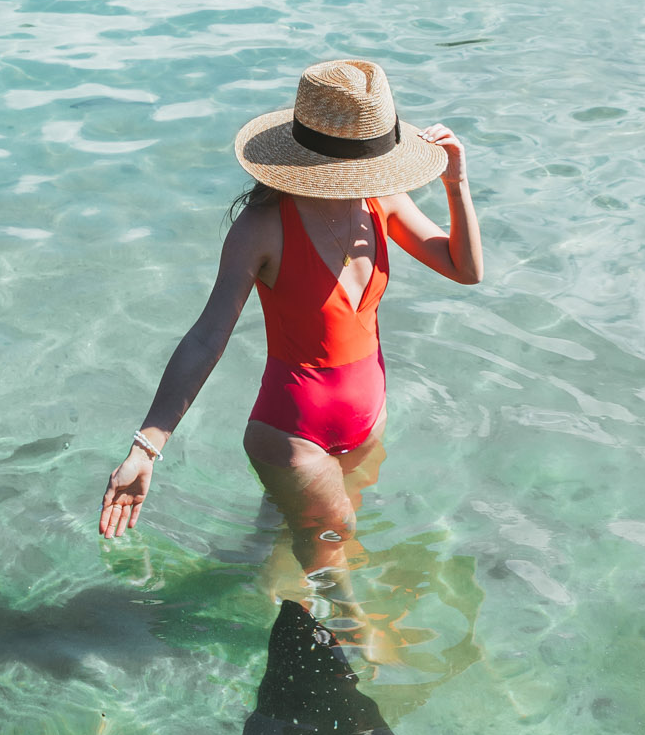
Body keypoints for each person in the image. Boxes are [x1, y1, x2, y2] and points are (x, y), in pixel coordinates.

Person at [98, 58, 481, 599]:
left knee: (289, 541)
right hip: (293, 430)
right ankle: (353, 641)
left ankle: (248, 590)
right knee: (333, 540)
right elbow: (209, 334)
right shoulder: (262, 229)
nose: (364, 178)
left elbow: (465, 270)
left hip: (367, 419)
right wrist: (146, 446)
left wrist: (456, 183)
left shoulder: (381, 201)